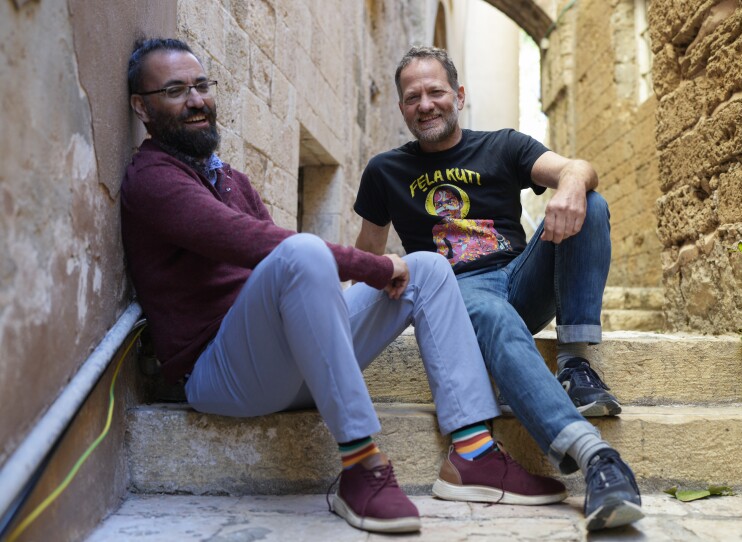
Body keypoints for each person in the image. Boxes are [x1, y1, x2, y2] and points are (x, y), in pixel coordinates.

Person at [120, 38, 568, 535]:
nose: (196, 100)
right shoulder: (152, 179)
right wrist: (373, 266)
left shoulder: (230, 179)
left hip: (291, 368)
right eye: (175, 90)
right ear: (142, 107)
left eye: (201, 86)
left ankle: (473, 455)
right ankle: (362, 467)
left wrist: (376, 273)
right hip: (221, 374)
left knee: (428, 267)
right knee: (301, 252)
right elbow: (252, 244)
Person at [354, 46, 643, 531]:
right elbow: (366, 257)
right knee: (490, 314)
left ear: (459, 95)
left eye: (435, 92)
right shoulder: (385, 171)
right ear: (401, 107)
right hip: (458, 294)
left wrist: (572, 187)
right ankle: (597, 459)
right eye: (412, 97)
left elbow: (577, 168)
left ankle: (574, 363)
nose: (425, 105)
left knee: (590, 203)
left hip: (520, 279)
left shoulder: (503, 145)